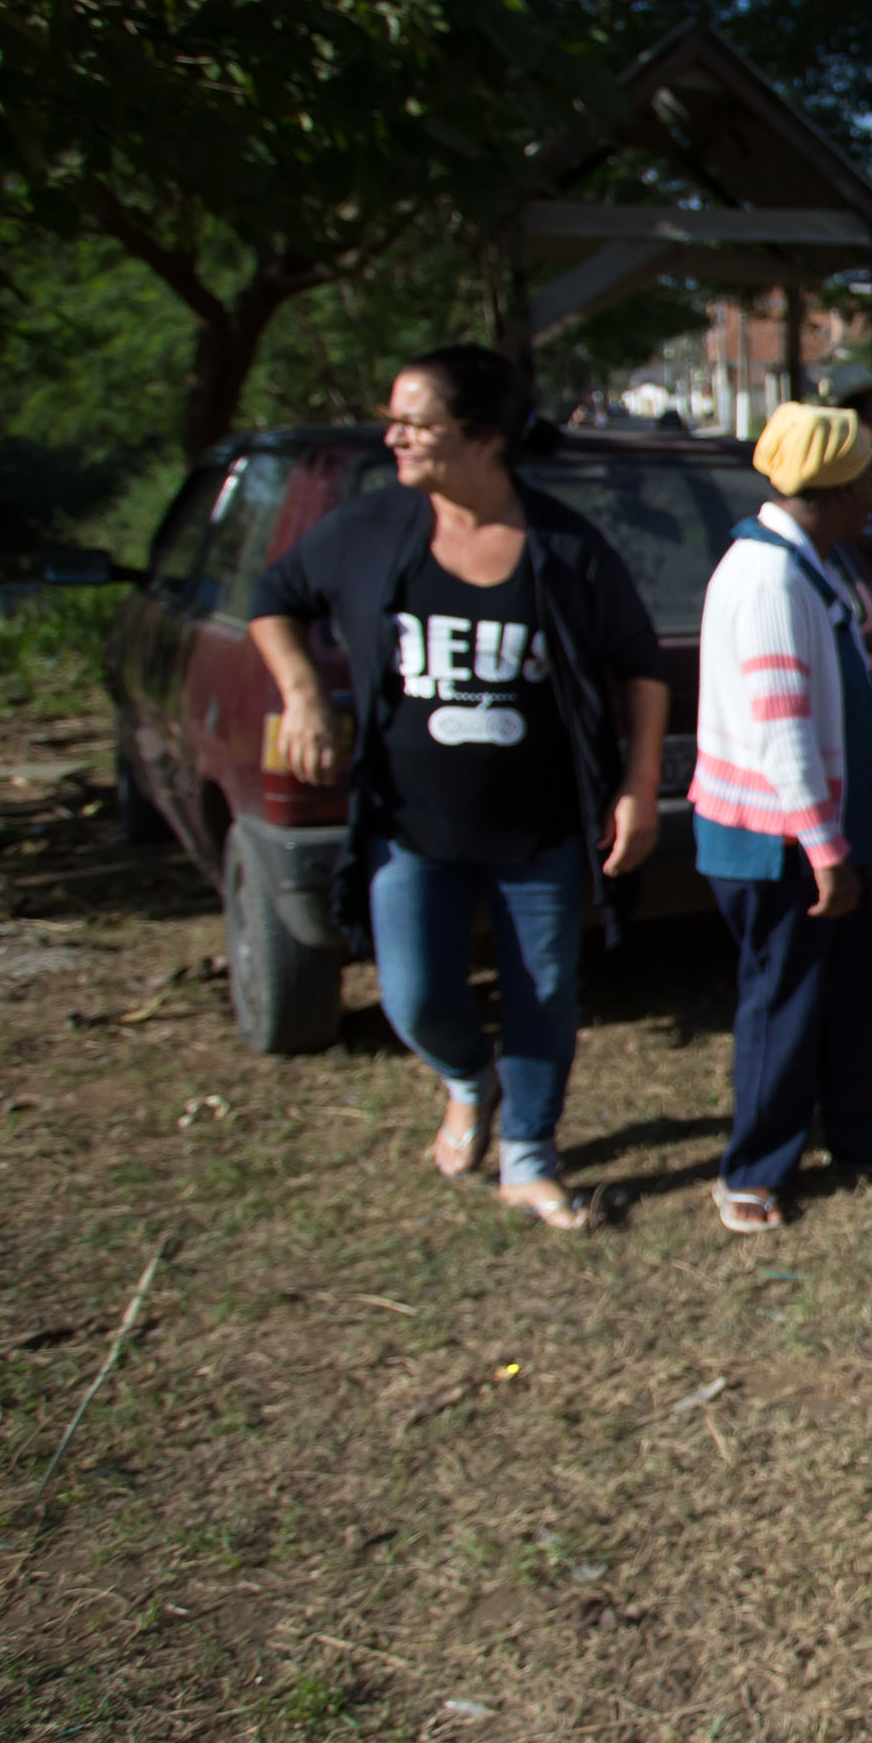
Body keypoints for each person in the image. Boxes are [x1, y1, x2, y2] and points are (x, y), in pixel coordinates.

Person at [251, 345, 669, 1233]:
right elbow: (274, 596)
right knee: (414, 996)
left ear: (483, 439)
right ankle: (468, 1080)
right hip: (409, 827)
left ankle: (529, 1155)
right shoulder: (371, 530)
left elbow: (639, 664)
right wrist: (303, 695)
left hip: (540, 830)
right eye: (394, 421)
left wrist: (636, 786)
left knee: (544, 995)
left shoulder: (565, 546)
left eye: (416, 423)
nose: (393, 438)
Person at [691, 402, 872, 1232]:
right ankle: (754, 1170)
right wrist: (824, 850)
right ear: (838, 491)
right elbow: (782, 729)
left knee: (847, 992)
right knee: (785, 1001)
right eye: (865, 481)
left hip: (822, 831)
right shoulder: (767, 579)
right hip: (781, 840)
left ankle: (863, 1136)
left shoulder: (810, 562)